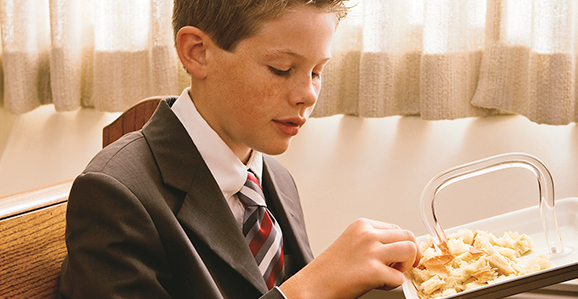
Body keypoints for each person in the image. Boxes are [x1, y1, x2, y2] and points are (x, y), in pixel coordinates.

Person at [58, 0, 421, 298]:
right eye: (281, 69)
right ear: (197, 53)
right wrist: (312, 286)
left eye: (316, 72)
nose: (308, 94)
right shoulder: (114, 193)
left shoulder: (274, 178)